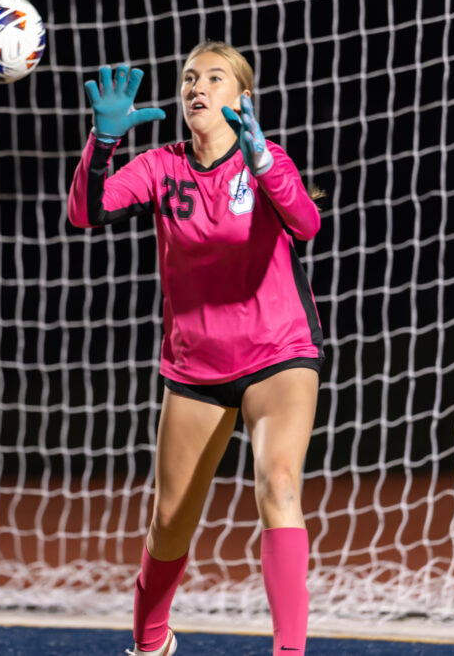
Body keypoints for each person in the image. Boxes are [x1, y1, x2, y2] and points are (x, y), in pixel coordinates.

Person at [68, 43, 324, 656]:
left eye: (213, 78)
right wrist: (102, 145)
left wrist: (264, 161)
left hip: (278, 353)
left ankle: (290, 653)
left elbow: (307, 223)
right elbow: (85, 211)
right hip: (196, 368)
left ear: (241, 99)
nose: (196, 87)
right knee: (170, 521)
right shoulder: (162, 165)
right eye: (188, 78)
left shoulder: (266, 161)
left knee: (280, 486)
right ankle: (150, 640)